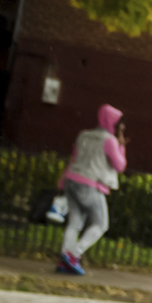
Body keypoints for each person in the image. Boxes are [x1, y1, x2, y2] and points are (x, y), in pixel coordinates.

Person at [55, 104, 127, 275]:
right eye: (119, 124)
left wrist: (61, 182)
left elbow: (74, 158)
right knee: (101, 224)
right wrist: (122, 146)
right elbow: (120, 166)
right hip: (89, 185)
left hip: (71, 181)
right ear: (112, 123)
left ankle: (64, 261)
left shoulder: (83, 135)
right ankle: (73, 255)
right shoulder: (109, 141)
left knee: (74, 222)